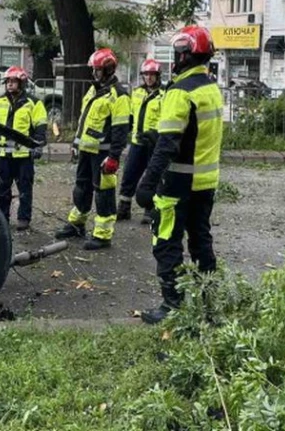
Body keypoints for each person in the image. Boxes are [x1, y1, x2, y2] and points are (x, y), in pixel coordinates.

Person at [135, 26, 224, 324]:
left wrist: (147, 183)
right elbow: (192, 134)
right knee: (200, 241)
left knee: (166, 242)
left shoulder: (179, 91)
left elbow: (170, 145)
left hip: (176, 184)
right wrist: (154, 136)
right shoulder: (209, 87)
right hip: (205, 182)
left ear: (185, 54)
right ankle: (208, 302)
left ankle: (172, 305)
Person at [55, 48, 131, 250]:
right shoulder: (94, 89)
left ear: (107, 69)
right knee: (81, 188)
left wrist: (114, 157)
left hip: (103, 154)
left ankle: (103, 234)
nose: (94, 73)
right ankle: (77, 223)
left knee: (104, 192)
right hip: (87, 151)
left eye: (97, 69)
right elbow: (84, 120)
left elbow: (121, 130)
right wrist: (76, 143)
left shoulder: (119, 95)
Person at [0, 66, 48, 230]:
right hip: (3, 154)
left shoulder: (33, 103)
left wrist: (38, 145)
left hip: (24, 154)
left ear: (21, 83)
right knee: (2, 188)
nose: (10, 84)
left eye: (13, 81)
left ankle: (24, 218)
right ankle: (2, 217)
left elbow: (40, 126)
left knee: (25, 188)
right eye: (8, 81)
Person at [117, 59, 164, 224]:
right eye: (146, 75)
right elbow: (131, 116)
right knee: (129, 174)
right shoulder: (137, 93)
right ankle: (124, 207)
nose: (149, 78)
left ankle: (149, 209)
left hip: (154, 143)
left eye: (152, 75)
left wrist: (155, 134)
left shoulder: (164, 95)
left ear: (158, 76)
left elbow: (167, 120)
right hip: (137, 142)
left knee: (152, 176)